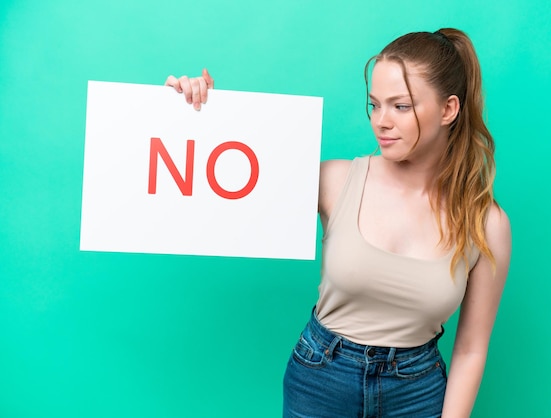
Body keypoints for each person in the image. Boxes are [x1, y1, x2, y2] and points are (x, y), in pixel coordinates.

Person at [166, 28, 511, 418]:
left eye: (401, 106)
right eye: (374, 104)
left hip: (417, 393)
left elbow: (471, 348)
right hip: (320, 380)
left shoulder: (487, 224)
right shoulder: (334, 181)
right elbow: (219, 182)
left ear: (448, 109)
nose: (381, 121)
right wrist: (195, 110)